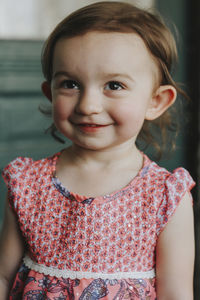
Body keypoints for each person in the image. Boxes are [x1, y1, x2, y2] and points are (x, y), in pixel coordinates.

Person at [0, 2, 195, 299]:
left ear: (155, 101)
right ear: (50, 92)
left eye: (114, 85)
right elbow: (4, 276)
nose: (88, 105)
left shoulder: (166, 195)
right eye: (70, 84)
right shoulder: (27, 183)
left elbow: (176, 292)